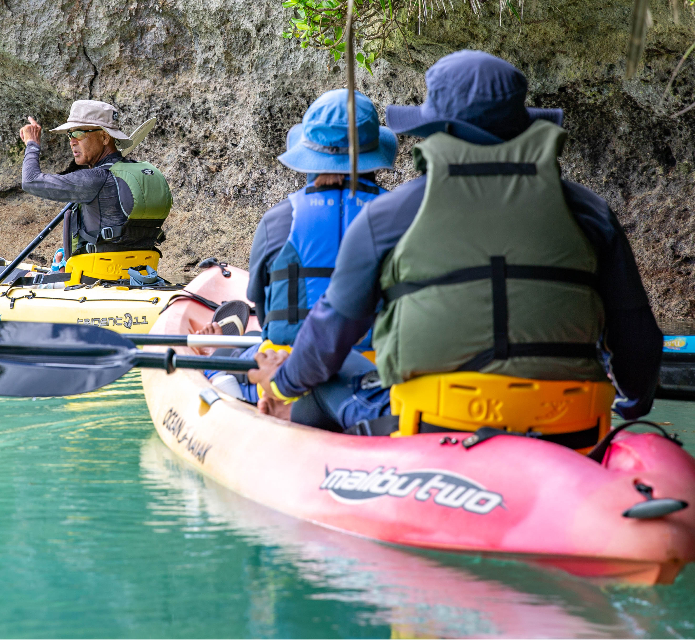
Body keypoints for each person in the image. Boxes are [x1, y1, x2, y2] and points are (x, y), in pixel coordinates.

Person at [247, 50, 664, 432]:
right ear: (524, 125)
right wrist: (633, 403)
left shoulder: (389, 217)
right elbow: (638, 337)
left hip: (439, 423)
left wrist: (282, 383)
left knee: (324, 371)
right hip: (570, 422)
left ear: (436, 130)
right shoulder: (591, 212)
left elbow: (329, 335)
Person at [195, 89, 399, 414]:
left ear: (310, 159)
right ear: (375, 155)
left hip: (285, 366)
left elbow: (263, 310)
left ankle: (220, 366)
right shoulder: (402, 215)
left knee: (230, 358)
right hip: (379, 374)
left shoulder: (278, 219)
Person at [19, 100, 171, 270]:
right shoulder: (137, 174)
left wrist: (32, 145)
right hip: (141, 273)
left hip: (95, 277)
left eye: (78, 133)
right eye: (70, 134)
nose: (72, 141)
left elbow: (30, 180)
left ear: (105, 137)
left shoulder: (96, 178)